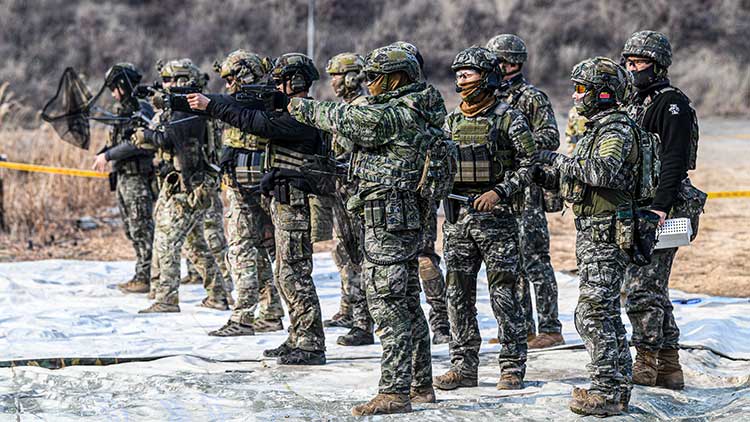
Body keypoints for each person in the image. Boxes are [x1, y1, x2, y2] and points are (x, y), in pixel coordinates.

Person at [287, 45, 442, 415]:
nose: (368, 83)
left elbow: (352, 121)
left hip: (389, 220)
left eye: (375, 77)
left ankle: (394, 391)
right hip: (401, 216)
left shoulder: (398, 113)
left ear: (398, 77)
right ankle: (419, 385)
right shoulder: (421, 105)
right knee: (405, 302)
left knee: (387, 305)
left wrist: (298, 106)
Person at [188, 53, 327, 365]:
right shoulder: (289, 109)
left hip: (296, 203)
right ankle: (297, 336)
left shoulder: (304, 113)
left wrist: (213, 106)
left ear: (297, 81)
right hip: (283, 200)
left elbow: (257, 123)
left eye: (281, 81)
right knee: (284, 273)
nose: (276, 86)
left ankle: (311, 343)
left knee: (294, 274)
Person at [535, 57, 638, 416]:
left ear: (604, 94)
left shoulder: (615, 130)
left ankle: (607, 391)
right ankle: (614, 387)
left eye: (583, 90)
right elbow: (580, 181)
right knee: (601, 311)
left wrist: (557, 159)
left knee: (594, 313)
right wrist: (543, 175)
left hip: (608, 234)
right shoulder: (599, 128)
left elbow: (602, 171)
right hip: (595, 230)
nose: (577, 97)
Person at [433, 46, 535, 393]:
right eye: (458, 75)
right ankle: (463, 366)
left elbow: (530, 165)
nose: (461, 80)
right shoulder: (451, 121)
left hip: (498, 220)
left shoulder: (510, 118)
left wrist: (501, 192)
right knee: (457, 295)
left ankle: (511, 367)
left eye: (468, 74)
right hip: (458, 219)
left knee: (505, 293)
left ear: (487, 78)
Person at [621, 30, 706, 391]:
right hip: (641, 206)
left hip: (664, 209)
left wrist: (659, 209)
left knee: (643, 287)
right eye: (628, 62)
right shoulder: (637, 101)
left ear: (656, 66)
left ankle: (646, 362)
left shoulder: (671, 104)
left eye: (637, 63)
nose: (630, 68)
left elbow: (673, 160)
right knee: (653, 288)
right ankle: (669, 367)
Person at [486, 34, 564, 349]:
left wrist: (516, 141)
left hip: (527, 190)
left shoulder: (532, 97)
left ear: (511, 63)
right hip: (501, 189)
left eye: (495, 62)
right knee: (510, 261)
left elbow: (550, 136)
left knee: (535, 259)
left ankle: (550, 327)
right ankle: (523, 328)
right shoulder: (490, 97)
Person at [133, 58, 229, 313]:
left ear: (183, 80)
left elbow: (173, 138)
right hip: (181, 183)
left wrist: (148, 136)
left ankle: (167, 298)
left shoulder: (191, 107)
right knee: (194, 245)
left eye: (170, 80)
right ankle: (218, 294)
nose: (166, 84)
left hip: (190, 185)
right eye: (164, 80)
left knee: (167, 241)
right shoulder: (183, 105)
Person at [205, 49, 287, 336]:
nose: (227, 86)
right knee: (251, 249)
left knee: (251, 250)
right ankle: (269, 312)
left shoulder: (267, 101)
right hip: (241, 186)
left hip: (265, 186)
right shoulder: (238, 103)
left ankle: (245, 318)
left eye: (231, 79)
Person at [389, 41, 451, 345]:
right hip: (394, 192)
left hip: (421, 190)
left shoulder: (424, 99)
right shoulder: (390, 100)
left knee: (424, 259)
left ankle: (441, 320)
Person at [321, 52, 375, 347]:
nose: (333, 82)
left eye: (337, 75)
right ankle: (350, 310)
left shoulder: (362, 108)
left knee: (360, 257)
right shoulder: (345, 108)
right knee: (344, 254)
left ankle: (364, 323)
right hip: (343, 192)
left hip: (358, 196)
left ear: (354, 76)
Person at [93, 63, 155, 295]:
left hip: (137, 178)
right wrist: (104, 153)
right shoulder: (122, 112)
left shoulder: (142, 109)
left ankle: (146, 276)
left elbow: (137, 143)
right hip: (123, 178)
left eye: (114, 88)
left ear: (122, 85)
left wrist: (108, 155)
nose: (112, 93)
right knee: (131, 228)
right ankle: (143, 273)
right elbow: (119, 142)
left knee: (142, 228)